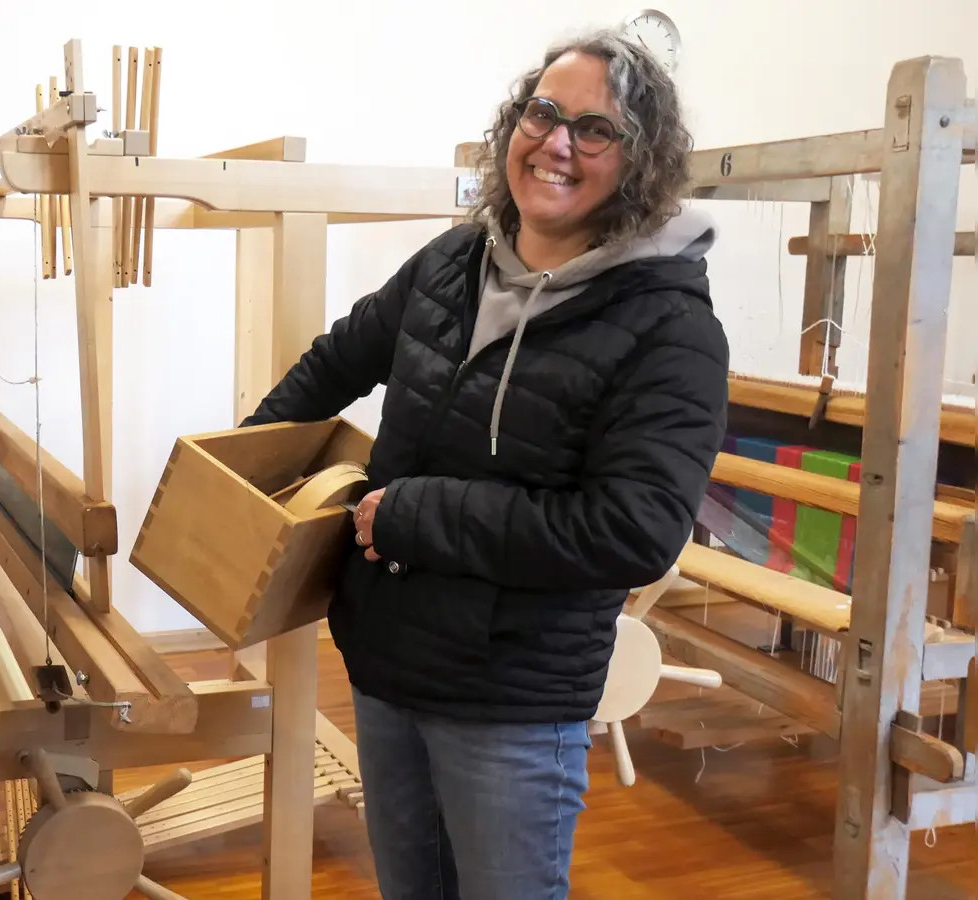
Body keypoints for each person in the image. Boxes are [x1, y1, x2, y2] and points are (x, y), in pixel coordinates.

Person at [241, 28, 729, 900]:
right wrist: (238, 473)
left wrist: (416, 515)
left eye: (595, 129)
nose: (557, 144)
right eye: (543, 113)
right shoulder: (452, 262)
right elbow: (337, 362)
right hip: (387, 664)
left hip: (513, 699)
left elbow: (634, 531)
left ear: (639, 162)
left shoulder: (670, 327)